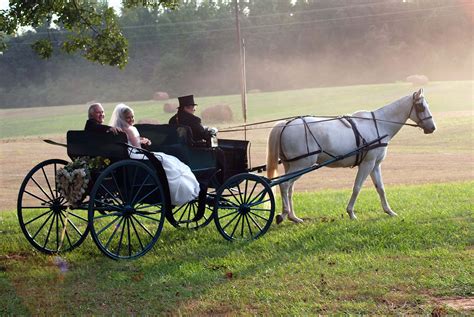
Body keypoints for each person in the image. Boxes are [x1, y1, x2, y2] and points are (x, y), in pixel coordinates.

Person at [109, 103, 200, 206]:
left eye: (132, 117)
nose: (131, 120)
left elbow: (129, 141)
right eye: (128, 118)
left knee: (165, 158)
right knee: (164, 159)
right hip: (134, 155)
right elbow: (137, 147)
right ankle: (169, 188)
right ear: (122, 118)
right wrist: (143, 142)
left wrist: (140, 140)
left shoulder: (118, 128)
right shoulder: (130, 129)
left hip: (127, 155)